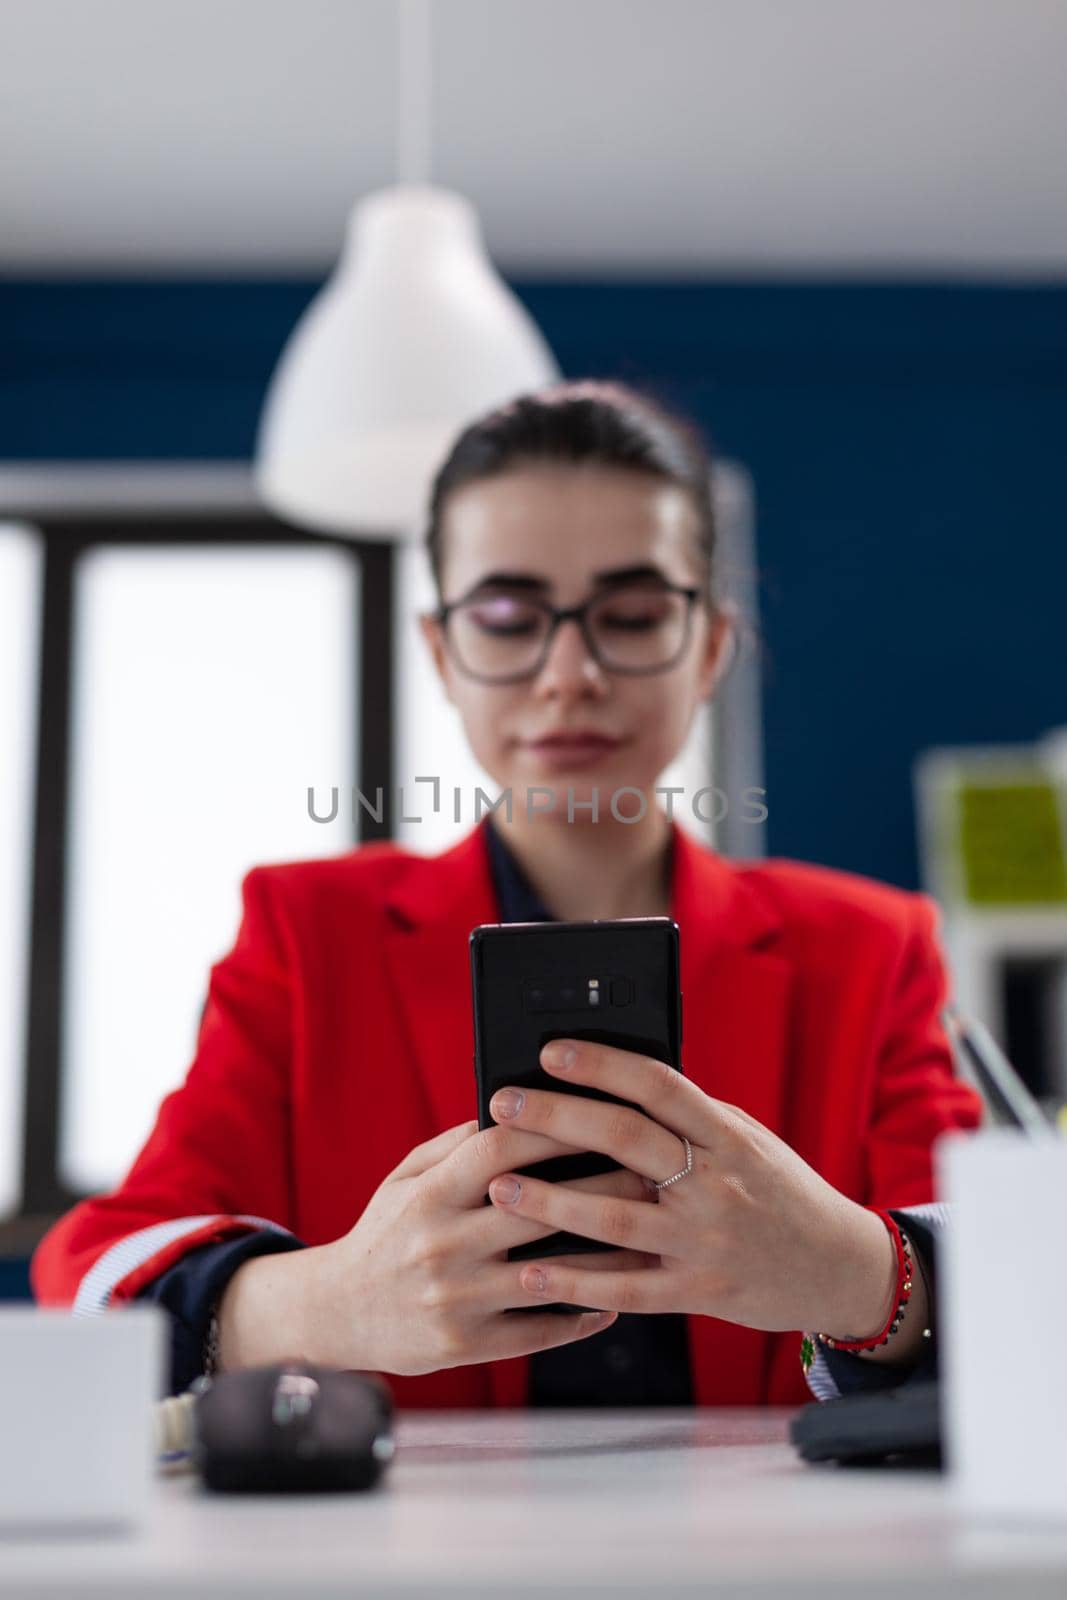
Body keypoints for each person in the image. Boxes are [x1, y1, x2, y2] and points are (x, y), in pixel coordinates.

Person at [32, 380, 982, 1411]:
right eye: (504, 615)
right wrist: (330, 1301)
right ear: (442, 652)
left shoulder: (869, 946)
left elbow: (1011, 1281)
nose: (568, 672)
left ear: (709, 645)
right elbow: (93, 1276)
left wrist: (848, 1270)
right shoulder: (306, 936)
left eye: (628, 614)